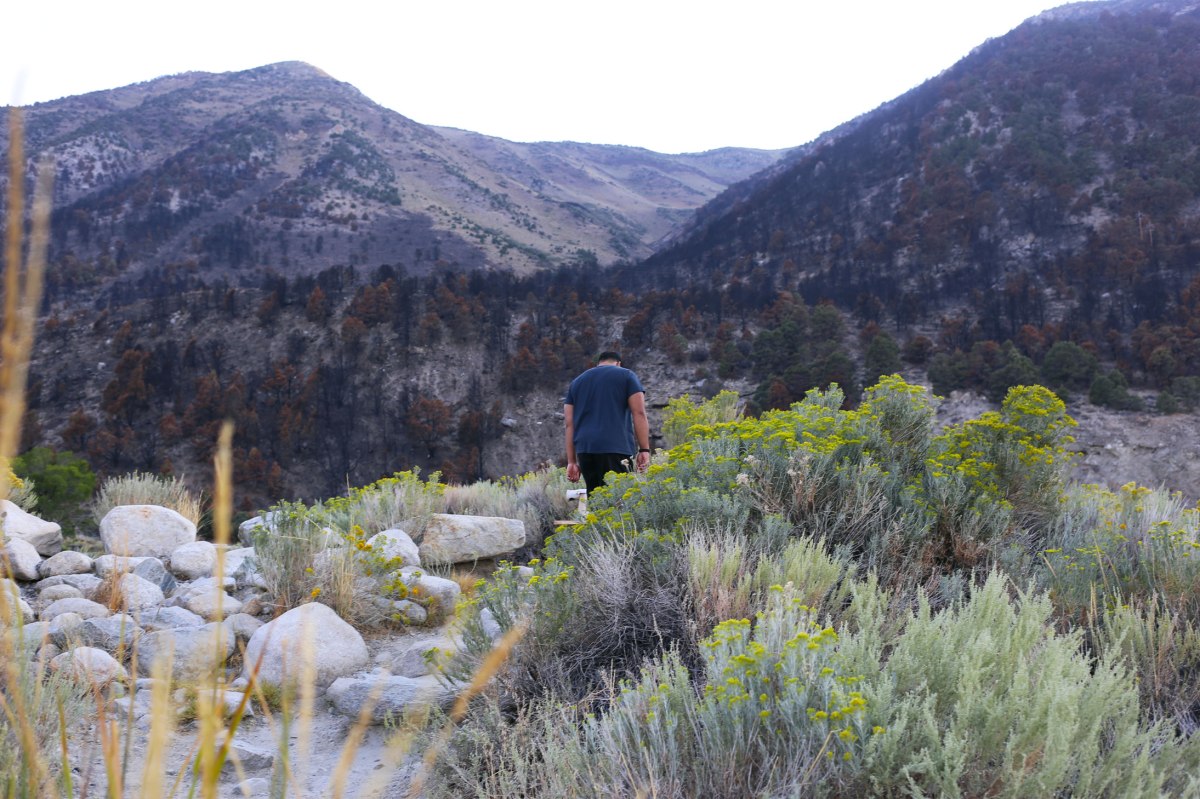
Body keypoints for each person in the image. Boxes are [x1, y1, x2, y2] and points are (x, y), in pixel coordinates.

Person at [564, 351, 650, 493]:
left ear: (598, 363)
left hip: (585, 450)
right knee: (619, 501)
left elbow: (569, 424)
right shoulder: (627, 375)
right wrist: (644, 449)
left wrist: (571, 462)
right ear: (618, 363)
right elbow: (639, 413)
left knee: (597, 501)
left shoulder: (576, 382)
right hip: (616, 448)